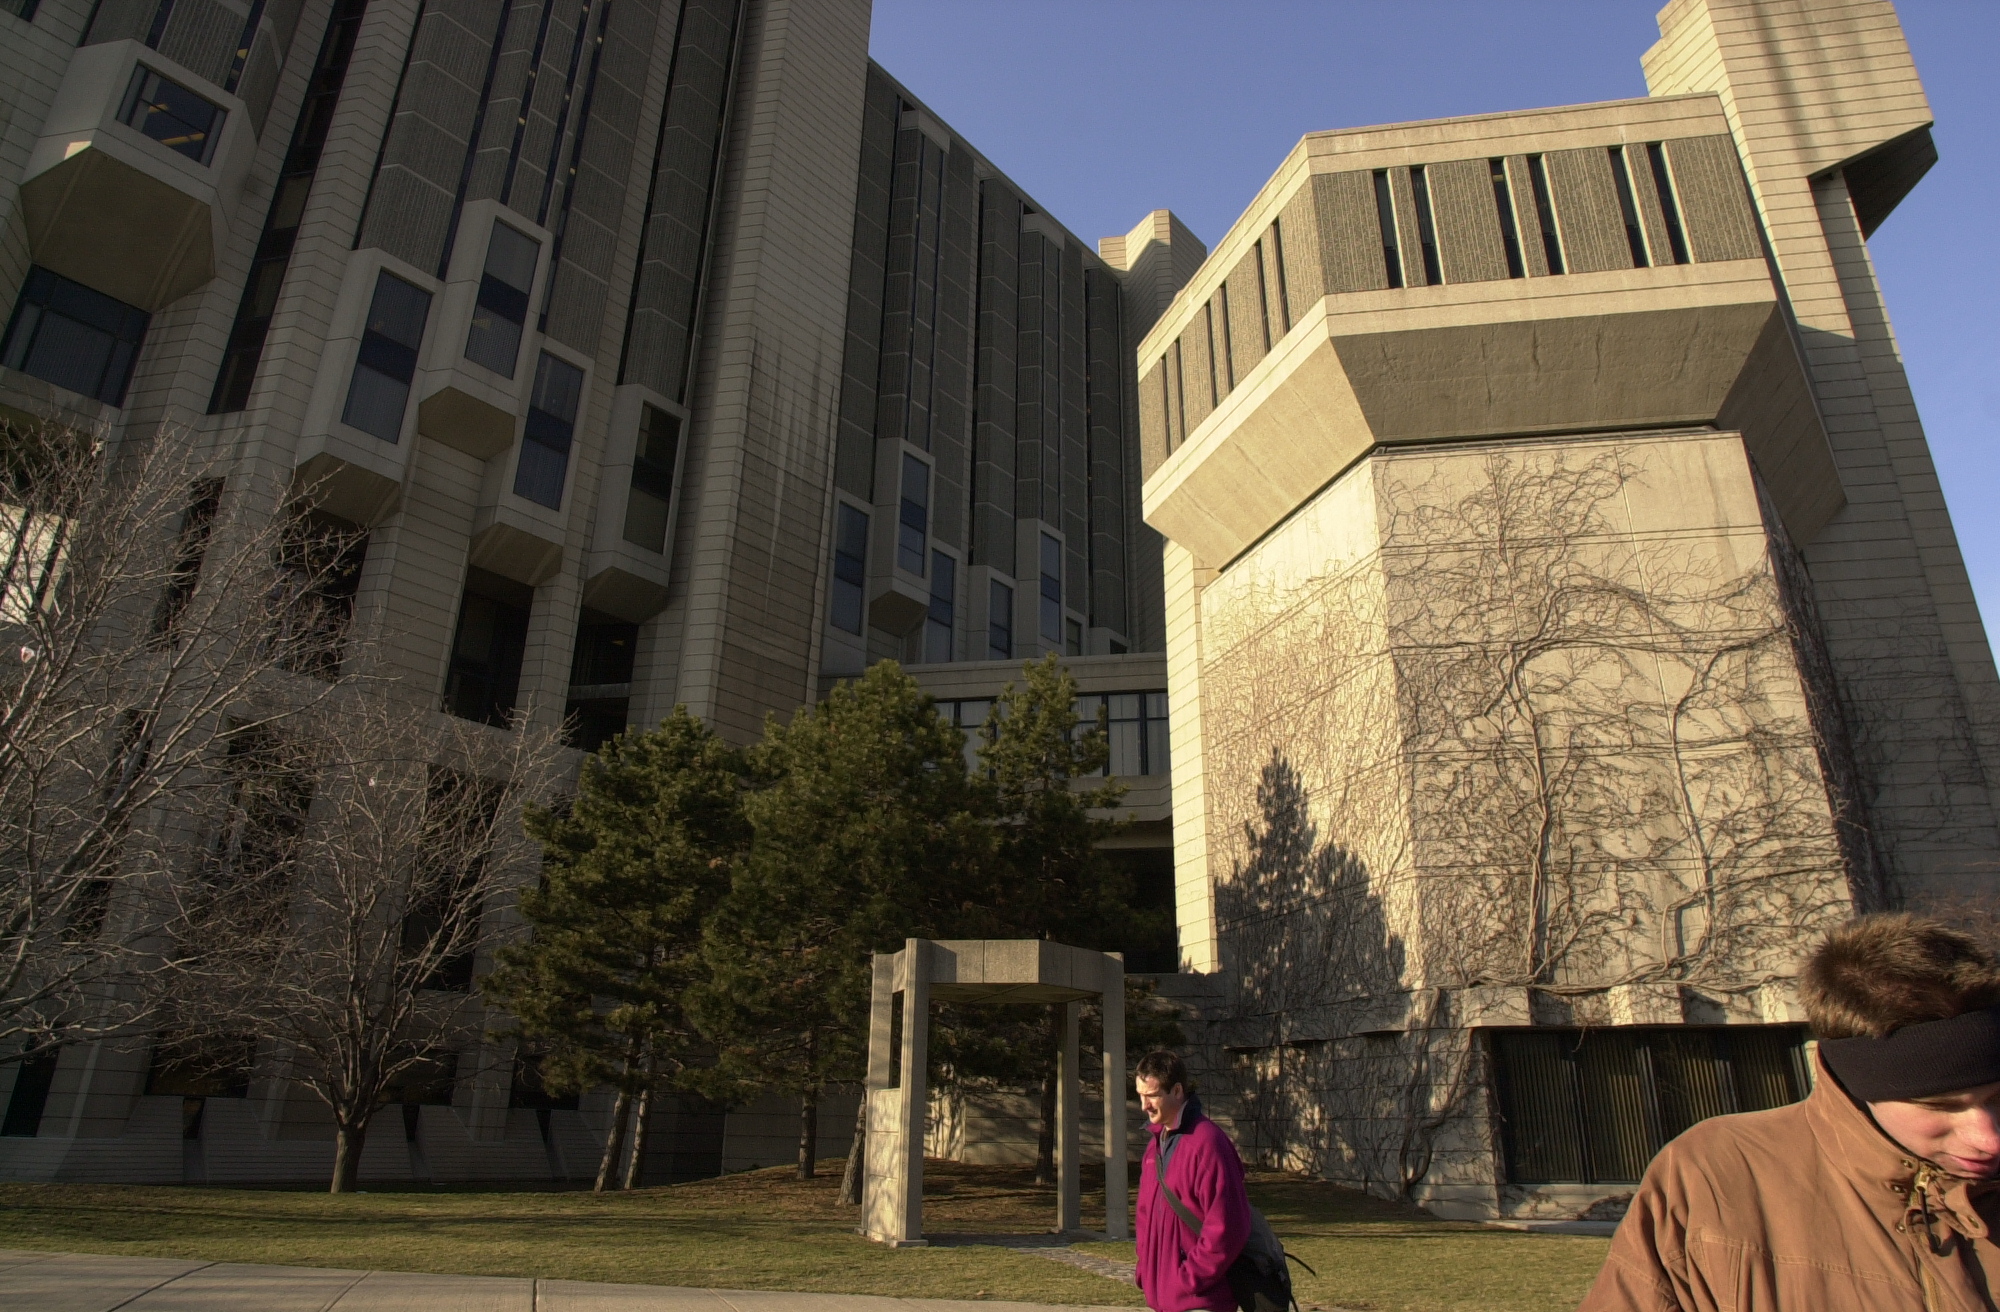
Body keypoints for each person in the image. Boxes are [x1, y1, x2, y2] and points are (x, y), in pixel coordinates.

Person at [1580, 913, 2000, 1312]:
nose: (1989, 1139)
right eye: (1940, 1106)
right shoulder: (1713, 1174)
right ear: (1861, 1086)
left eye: (1998, 1097)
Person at [1134, 1049, 1252, 1312]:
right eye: (1140, 1095)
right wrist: (1145, 1270)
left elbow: (1229, 1226)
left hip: (1200, 1301)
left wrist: (1189, 1279)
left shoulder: (1207, 1143)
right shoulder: (1155, 1147)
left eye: (1152, 1096)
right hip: (1164, 1300)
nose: (1144, 1106)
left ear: (1177, 1091)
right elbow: (1144, 1216)